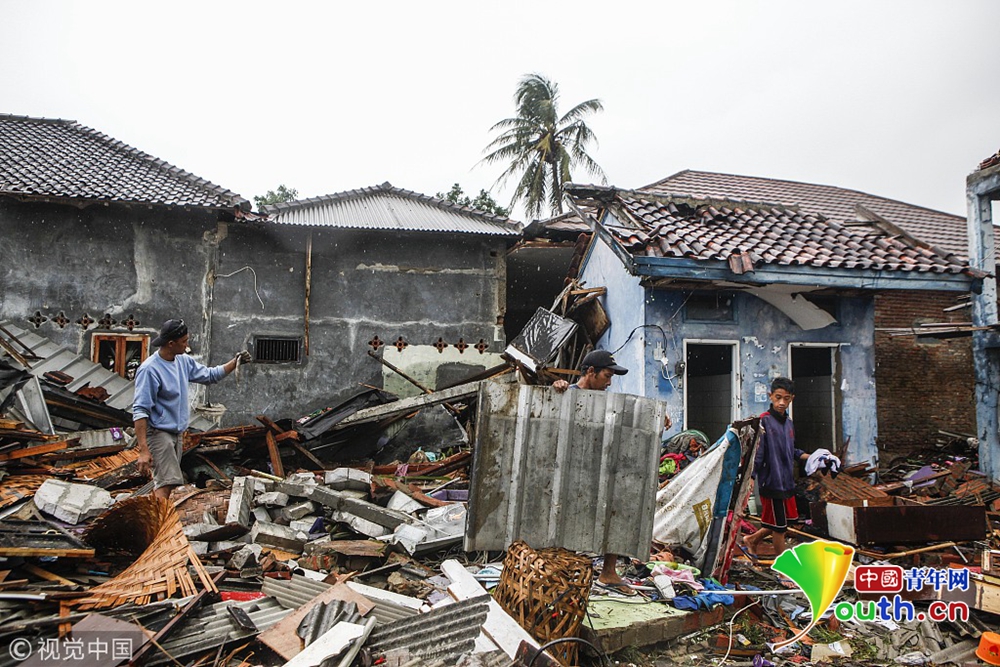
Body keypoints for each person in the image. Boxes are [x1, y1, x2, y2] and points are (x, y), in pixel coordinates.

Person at [554, 349, 672, 595]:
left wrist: (657, 418)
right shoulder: (568, 394)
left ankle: (608, 573)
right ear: (590, 372)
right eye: (607, 376)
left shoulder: (609, 404)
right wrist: (557, 388)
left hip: (600, 471)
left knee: (616, 510)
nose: (609, 383)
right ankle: (566, 573)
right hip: (571, 472)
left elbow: (633, 421)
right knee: (567, 518)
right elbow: (548, 410)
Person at [133, 319, 250, 500]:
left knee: (169, 483)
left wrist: (235, 362)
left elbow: (210, 375)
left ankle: (161, 515)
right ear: (170, 343)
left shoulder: (183, 361)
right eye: (184, 341)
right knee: (167, 482)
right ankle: (158, 517)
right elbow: (140, 411)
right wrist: (143, 450)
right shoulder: (150, 369)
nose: (187, 345)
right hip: (158, 433)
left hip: (177, 433)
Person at [744, 376, 809, 558]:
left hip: (786, 480)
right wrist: (751, 477)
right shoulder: (763, 421)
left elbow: (792, 450)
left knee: (782, 522)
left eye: (786, 399)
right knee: (779, 528)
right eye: (778, 397)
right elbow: (758, 453)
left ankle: (752, 540)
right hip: (771, 481)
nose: (781, 403)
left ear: (792, 399)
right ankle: (782, 566)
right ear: (770, 396)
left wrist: (813, 458)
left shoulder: (789, 423)